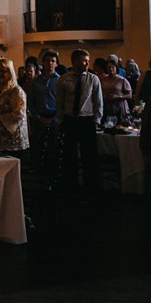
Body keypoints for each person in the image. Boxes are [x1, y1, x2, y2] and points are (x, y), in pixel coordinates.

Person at [55, 49, 103, 196]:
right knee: (70, 156)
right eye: (84, 60)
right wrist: (61, 120)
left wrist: (96, 121)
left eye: (88, 60)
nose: (87, 63)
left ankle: (91, 188)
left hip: (86, 120)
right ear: (75, 61)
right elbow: (60, 102)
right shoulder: (63, 80)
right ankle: (71, 187)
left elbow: (98, 101)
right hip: (70, 120)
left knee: (89, 157)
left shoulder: (93, 79)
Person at [0, 58, 29, 155]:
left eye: (3, 71)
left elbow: (19, 115)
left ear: (10, 72)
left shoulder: (16, 91)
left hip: (11, 143)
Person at [101, 59, 133, 124]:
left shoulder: (122, 80)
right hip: (107, 106)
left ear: (116, 68)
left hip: (119, 107)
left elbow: (129, 95)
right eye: (108, 67)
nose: (110, 69)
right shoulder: (103, 80)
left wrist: (118, 97)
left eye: (112, 67)